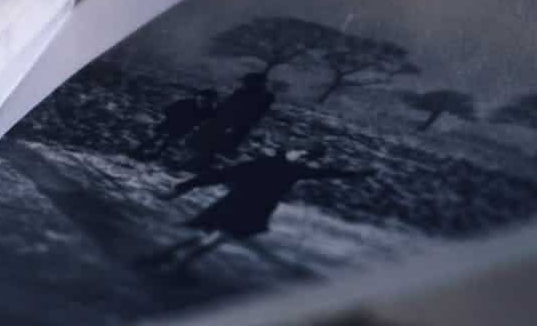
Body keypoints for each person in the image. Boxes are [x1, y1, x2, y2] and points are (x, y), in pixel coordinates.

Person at [144, 144, 373, 271]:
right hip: (240, 204)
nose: (304, 156)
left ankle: (166, 257)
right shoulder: (266, 163)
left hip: (253, 207)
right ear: (288, 151)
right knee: (218, 236)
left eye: (307, 155)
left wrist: (356, 174)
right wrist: (186, 185)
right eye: (301, 151)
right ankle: (176, 265)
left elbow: (327, 173)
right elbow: (223, 174)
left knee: (215, 235)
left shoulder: (297, 170)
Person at [182, 72, 274, 169]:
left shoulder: (264, 97)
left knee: (212, 147)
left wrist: (235, 126)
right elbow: (226, 105)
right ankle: (193, 164)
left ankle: (196, 166)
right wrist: (213, 115)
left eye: (248, 82)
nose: (245, 83)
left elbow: (253, 115)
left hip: (234, 126)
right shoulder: (241, 92)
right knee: (203, 143)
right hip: (222, 122)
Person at [131, 89, 218, 162]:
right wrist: (170, 117)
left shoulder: (209, 111)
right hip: (170, 123)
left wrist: (197, 126)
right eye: (202, 100)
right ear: (198, 97)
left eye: (206, 102)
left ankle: (156, 154)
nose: (202, 103)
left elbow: (207, 120)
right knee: (156, 137)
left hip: (183, 128)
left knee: (168, 141)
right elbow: (168, 110)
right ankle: (139, 149)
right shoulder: (186, 103)